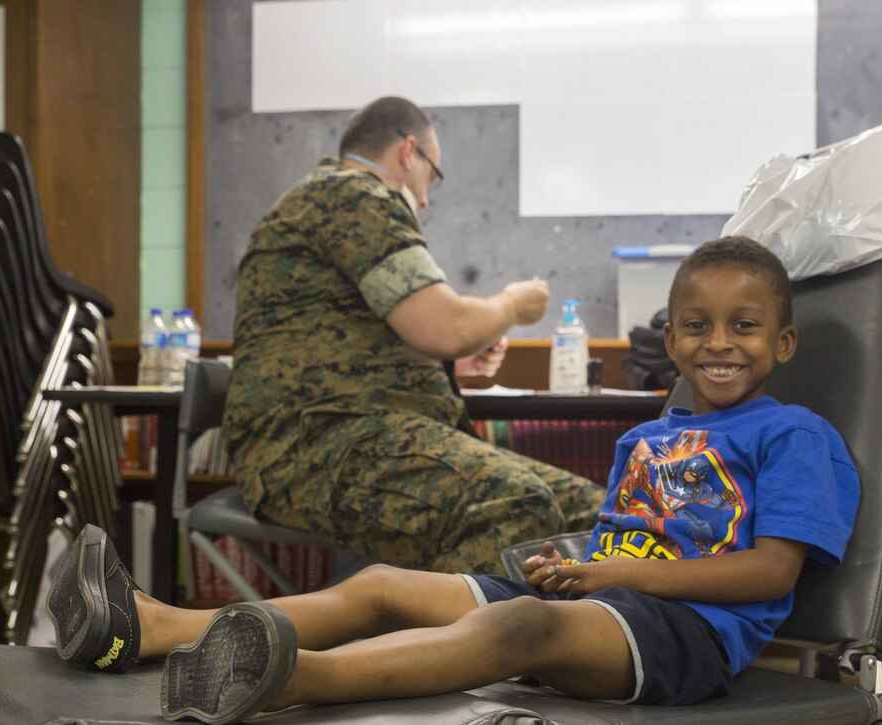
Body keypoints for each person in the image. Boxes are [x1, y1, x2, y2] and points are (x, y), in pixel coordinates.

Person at [46, 236, 860, 724]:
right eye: (697, 326)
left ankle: (287, 675)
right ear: (671, 340)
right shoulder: (649, 436)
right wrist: (584, 564)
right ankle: (147, 627)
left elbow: (771, 572)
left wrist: (613, 572)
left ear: (783, 343)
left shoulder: (794, 434)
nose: (720, 343)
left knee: (521, 630)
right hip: (601, 597)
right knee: (382, 585)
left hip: (688, 635)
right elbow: (622, 539)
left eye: (745, 327)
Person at [220, 96, 602, 574]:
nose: (424, 199)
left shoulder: (335, 201)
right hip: (308, 446)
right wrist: (512, 305)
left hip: (350, 428)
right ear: (408, 153)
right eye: (431, 178)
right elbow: (446, 327)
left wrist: (453, 364)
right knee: (513, 503)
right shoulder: (354, 194)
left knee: (599, 518)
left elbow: (356, 342)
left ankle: (564, 644)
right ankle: (433, 647)